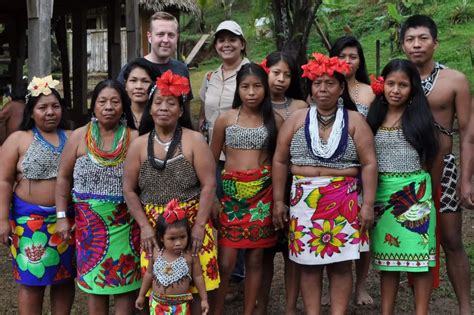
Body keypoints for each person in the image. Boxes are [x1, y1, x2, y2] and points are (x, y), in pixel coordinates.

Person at [272, 53, 377, 315]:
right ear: (310, 88)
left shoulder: (355, 121)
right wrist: (278, 201)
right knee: (307, 264)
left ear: (341, 88)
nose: (322, 89)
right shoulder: (296, 119)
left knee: (341, 265)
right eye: (317, 83)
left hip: (344, 201)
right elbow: (280, 161)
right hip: (302, 201)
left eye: (330, 83)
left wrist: (368, 205)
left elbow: (370, 163)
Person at [123, 70, 219, 314]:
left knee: (198, 284)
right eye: (158, 102)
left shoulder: (195, 141)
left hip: (191, 224)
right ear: (150, 109)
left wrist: (198, 226)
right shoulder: (138, 145)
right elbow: (129, 189)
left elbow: (209, 184)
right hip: (154, 227)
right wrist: (145, 227)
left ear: (180, 109)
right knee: (158, 284)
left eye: (171, 103)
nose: (164, 107)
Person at [401, 14, 472, 315]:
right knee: (411, 241)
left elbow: (468, 133)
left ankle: (466, 307)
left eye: (423, 38)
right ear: (403, 45)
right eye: (410, 39)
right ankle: (420, 307)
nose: (416, 45)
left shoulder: (455, 80)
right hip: (405, 172)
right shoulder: (395, 78)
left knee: (452, 239)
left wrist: (467, 180)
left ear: (435, 42)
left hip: (445, 169)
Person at [55, 80, 141, 314]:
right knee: (95, 287)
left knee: (125, 286)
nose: (108, 107)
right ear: (94, 107)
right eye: (102, 101)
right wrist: (62, 216)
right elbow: (63, 178)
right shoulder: (78, 137)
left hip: (126, 226)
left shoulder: (135, 138)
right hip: (89, 229)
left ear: (124, 106)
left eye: (115, 101)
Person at [367, 59, 439, 315]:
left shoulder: (420, 119)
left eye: (403, 85)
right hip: (382, 195)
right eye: (391, 83)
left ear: (413, 89)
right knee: (388, 261)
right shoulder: (373, 116)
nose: (396, 90)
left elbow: (432, 158)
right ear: (382, 85)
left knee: (418, 260)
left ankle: (421, 312)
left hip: (415, 195)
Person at [210, 63, 283, 315]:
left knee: (255, 260)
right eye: (245, 87)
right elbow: (211, 163)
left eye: (257, 86)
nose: (251, 92)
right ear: (237, 89)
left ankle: (249, 311)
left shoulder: (276, 120)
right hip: (231, 196)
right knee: (226, 261)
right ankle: (216, 310)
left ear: (265, 88)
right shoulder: (225, 119)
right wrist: (212, 198)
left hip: (263, 196)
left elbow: (280, 162)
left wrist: (278, 200)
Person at [0, 75, 75, 314]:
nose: (50, 112)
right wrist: (2, 219)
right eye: (42, 107)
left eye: (55, 106)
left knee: (64, 278)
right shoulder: (18, 140)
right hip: (29, 222)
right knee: (32, 280)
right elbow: (3, 181)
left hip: (67, 220)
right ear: (31, 112)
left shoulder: (72, 137)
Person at [198, 20, 250, 298]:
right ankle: (219, 271)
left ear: (242, 43)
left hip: (241, 155)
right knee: (218, 212)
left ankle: (237, 276)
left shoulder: (251, 73)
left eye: (232, 39)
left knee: (238, 212)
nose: (226, 44)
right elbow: (204, 117)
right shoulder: (209, 77)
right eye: (221, 40)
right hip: (212, 155)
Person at [256, 50, 307, 315]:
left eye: (287, 74)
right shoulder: (255, 104)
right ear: (265, 72)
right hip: (261, 185)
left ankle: (290, 308)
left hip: (294, 183)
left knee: (292, 251)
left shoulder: (300, 107)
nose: (281, 79)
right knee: (263, 252)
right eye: (276, 72)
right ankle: (261, 306)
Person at [328, 35, 375, 306]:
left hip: (363, 167)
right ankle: (331, 285)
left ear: (360, 60)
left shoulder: (370, 91)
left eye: (353, 56)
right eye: (342, 56)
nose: (348, 61)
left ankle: (360, 285)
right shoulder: (322, 87)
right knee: (330, 228)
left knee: (362, 229)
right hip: (331, 170)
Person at [117, 11, 194, 129]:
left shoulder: (181, 69)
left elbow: (186, 109)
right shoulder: (132, 69)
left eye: (171, 35)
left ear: (177, 37)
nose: (166, 40)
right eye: (160, 34)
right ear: (149, 37)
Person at [135, 199, 209, 314]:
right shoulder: (156, 253)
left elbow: (198, 276)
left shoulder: (190, 255)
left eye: (182, 237)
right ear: (161, 238)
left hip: (180, 307)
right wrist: (141, 295)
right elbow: (149, 274)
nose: (178, 243)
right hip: (157, 305)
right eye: (172, 239)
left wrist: (204, 299)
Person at [123, 58, 158, 129]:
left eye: (145, 81)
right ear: (125, 84)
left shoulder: (160, 116)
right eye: (133, 80)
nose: (138, 87)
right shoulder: (119, 116)